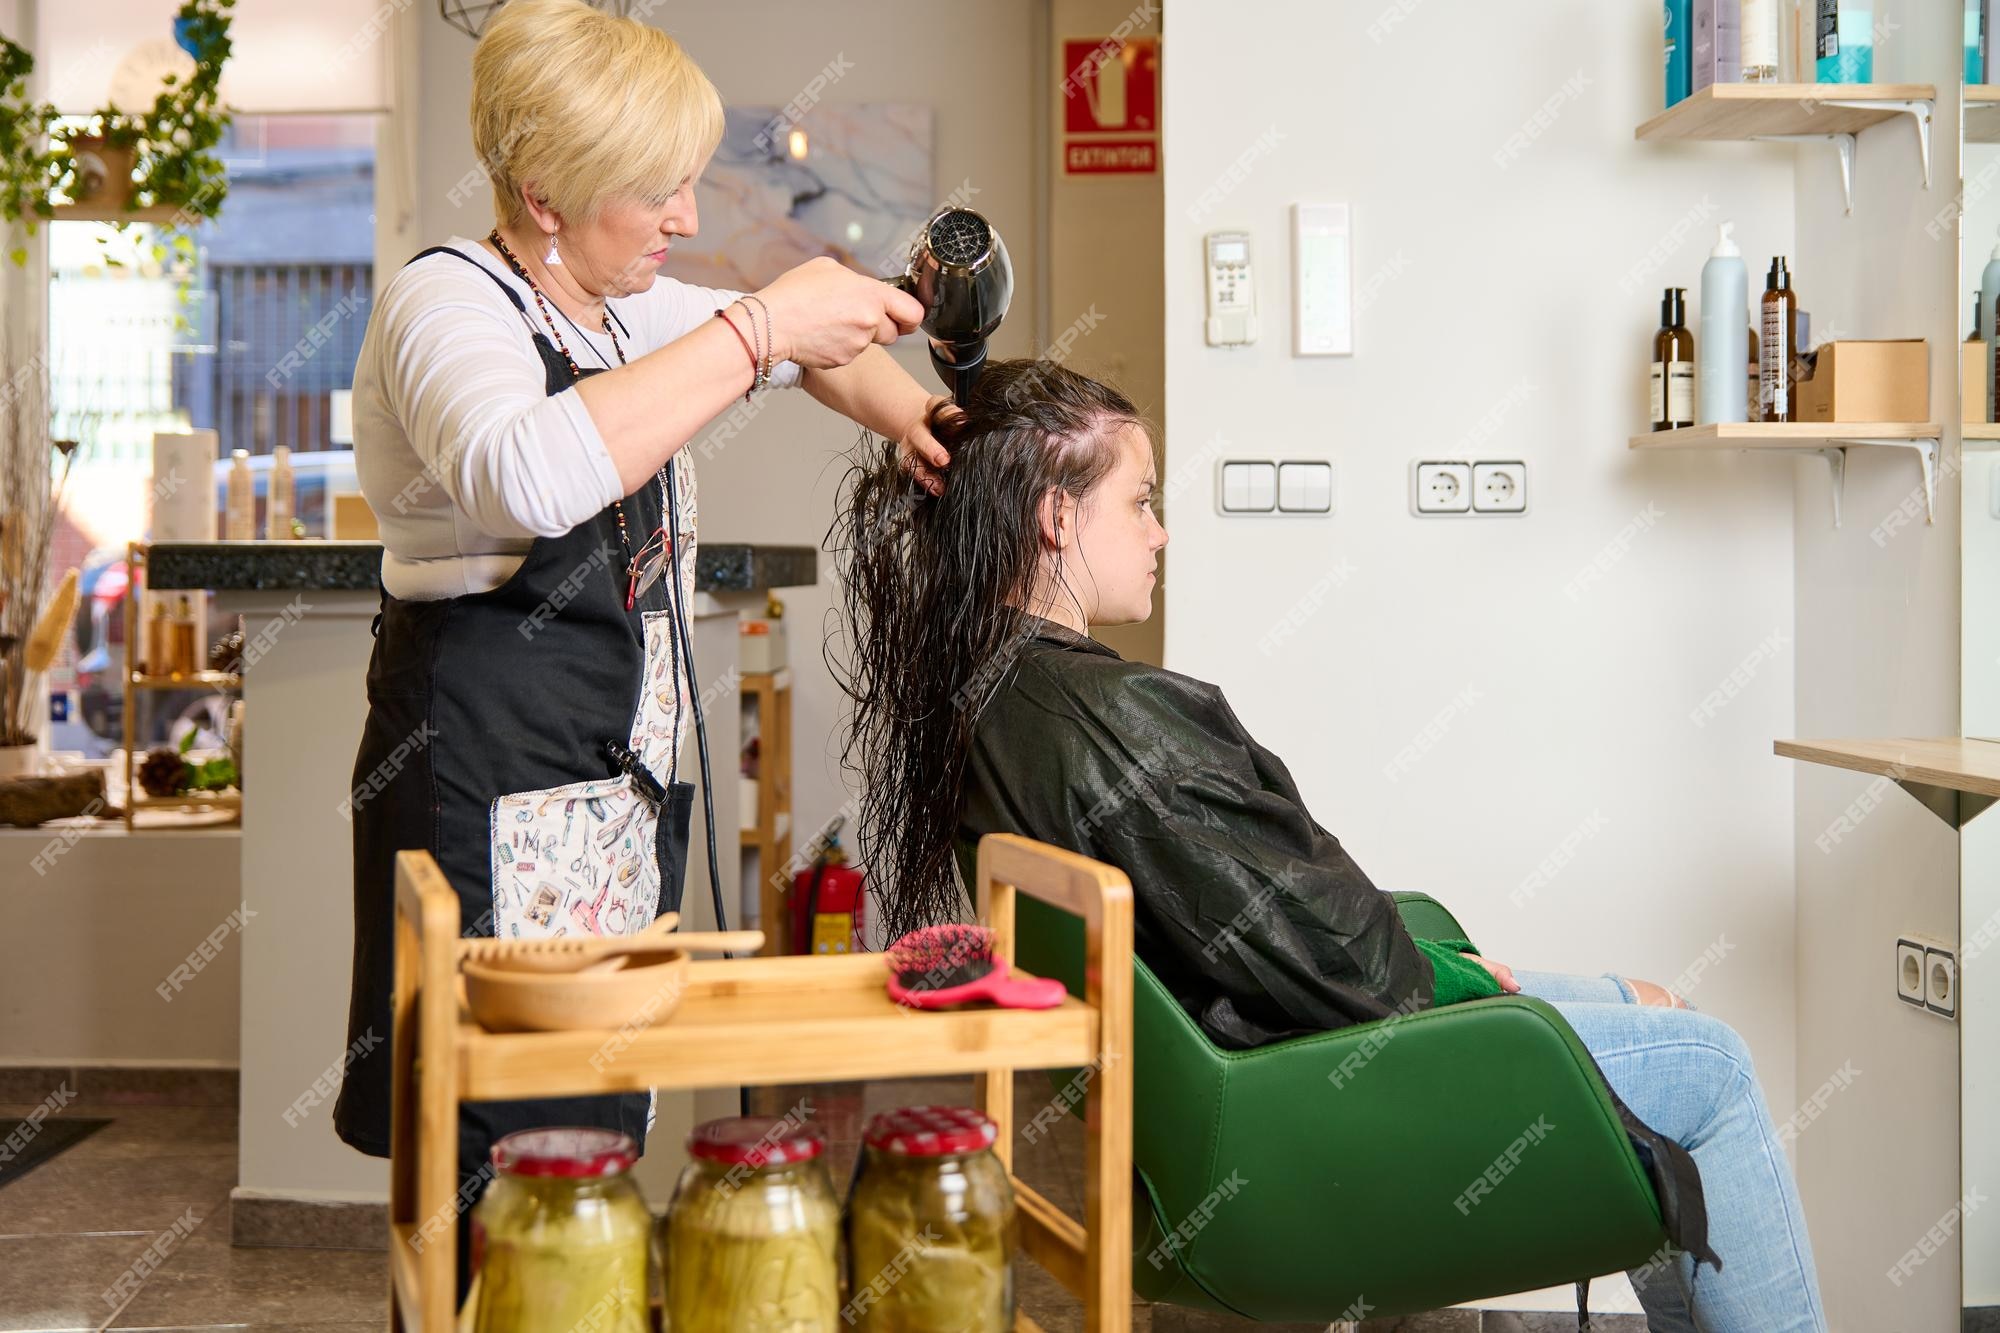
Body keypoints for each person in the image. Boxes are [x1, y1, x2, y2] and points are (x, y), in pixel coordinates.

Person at [830, 359, 1827, 1332]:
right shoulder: (1113, 716)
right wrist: (1459, 979)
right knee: (1710, 1067)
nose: (1159, 531)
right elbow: (1336, 961)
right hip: (1305, 1082)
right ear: (1055, 517)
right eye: (1138, 501)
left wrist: (1440, 966)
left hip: (1262, 1062)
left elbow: (1268, 926)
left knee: (1662, 1029)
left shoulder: (991, 704)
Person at [330, 0, 953, 1303]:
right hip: (486, 785)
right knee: (494, 1154)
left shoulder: (617, 311)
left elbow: (812, 356)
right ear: (548, 193)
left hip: (610, 791)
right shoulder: (447, 303)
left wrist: (924, 418)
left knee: (595, 1146)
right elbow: (524, 470)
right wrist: (758, 331)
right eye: (656, 193)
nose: (684, 218)